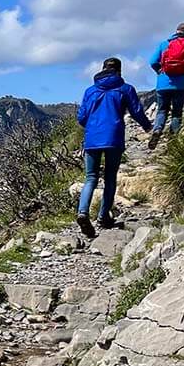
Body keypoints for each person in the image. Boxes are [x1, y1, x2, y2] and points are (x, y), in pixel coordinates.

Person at [75, 57, 152, 238]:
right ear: (119, 71)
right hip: (114, 137)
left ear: (102, 69)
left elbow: (81, 117)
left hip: (92, 139)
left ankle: (83, 212)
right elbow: (136, 111)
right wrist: (147, 127)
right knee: (110, 177)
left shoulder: (90, 91)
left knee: (91, 178)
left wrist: (93, 125)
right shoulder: (125, 89)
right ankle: (103, 217)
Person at [148, 22, 184, 149]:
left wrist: (159, 70)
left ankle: (157, 130)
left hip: (163, 84)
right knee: (177, 113)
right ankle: (173, 143)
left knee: (162, 110)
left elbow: (152, 61)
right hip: (180, 85)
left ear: (176, 31)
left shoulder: (164, 44)